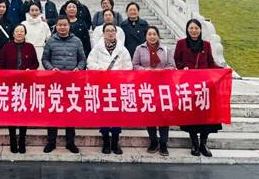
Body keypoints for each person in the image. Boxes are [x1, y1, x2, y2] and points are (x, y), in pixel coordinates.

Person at [175, 19, 222, 158]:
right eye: (191, 28)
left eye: (196, 28)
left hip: (204, 86)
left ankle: (203, 143)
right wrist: (183, 68)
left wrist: (222, 70)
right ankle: (194, 143)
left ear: (200, 30)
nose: (194, 31)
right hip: (189, 85)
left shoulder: (206, 45)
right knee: (192, 115)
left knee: (206, 116)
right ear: (187, 29)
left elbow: (210, 63)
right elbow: (177, 60)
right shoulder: (181, 43)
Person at [41, 15, 86, 154]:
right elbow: (45, 59)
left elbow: (82, 59)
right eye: (59, 25)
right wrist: (51, 69)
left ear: (69, 26)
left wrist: (79, 68)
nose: (62, 27)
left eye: (65, 25)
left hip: (71, 83)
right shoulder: (51, 41)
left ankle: (70, 142)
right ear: (56, 26)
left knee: (70, 112)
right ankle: (51, 142)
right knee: (53, 111)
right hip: (55, 83)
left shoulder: (77, 41)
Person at [86, 23, 132, 155]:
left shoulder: (122, 49)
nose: (110, 33)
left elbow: (128, 66)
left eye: (112, 31)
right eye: (108, 31)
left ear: (116, 33)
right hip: (103, 86)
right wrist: (100, 70)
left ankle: (115, 142)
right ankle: (106, 142)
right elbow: (90, 62)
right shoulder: (97, 48)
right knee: (104, 114)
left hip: (117, 86)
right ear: (103, 33)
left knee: (117, 115)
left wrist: (119, 76)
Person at [133, 26, 175, 157]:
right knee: (149, 114)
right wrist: (145, 70)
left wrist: (160, 72)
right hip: (146, 86)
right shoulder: (139, 49)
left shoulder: (166, 49)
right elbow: (135, 65)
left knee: (164, 115)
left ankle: (163, 142)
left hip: (163, 87)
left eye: (154, 34)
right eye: (149, 34)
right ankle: (153, 140)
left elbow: (172, 66)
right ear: (146, 36)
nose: (152, 36)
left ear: (158, 35)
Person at [0, 24, 39, 153]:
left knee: (23, 113)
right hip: (10, 85)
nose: (19, 33)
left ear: (25, 33)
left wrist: (30, 70)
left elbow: (35, 63)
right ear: (13, 34)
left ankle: (22, 140)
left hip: (25, 85)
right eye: (17, 31)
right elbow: (1, 65)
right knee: (11, 114)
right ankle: (12, 140)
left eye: (22, 31)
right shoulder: (7, 47)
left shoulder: (30, 47)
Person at [21, 1, 51, 68]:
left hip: (40, 52)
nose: (34, 12)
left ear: (40, 11)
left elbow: (49, 39)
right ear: (29, 12)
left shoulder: (44, 25)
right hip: (26, 51)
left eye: (36, 10)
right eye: (32, 10)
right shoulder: (23, 24)